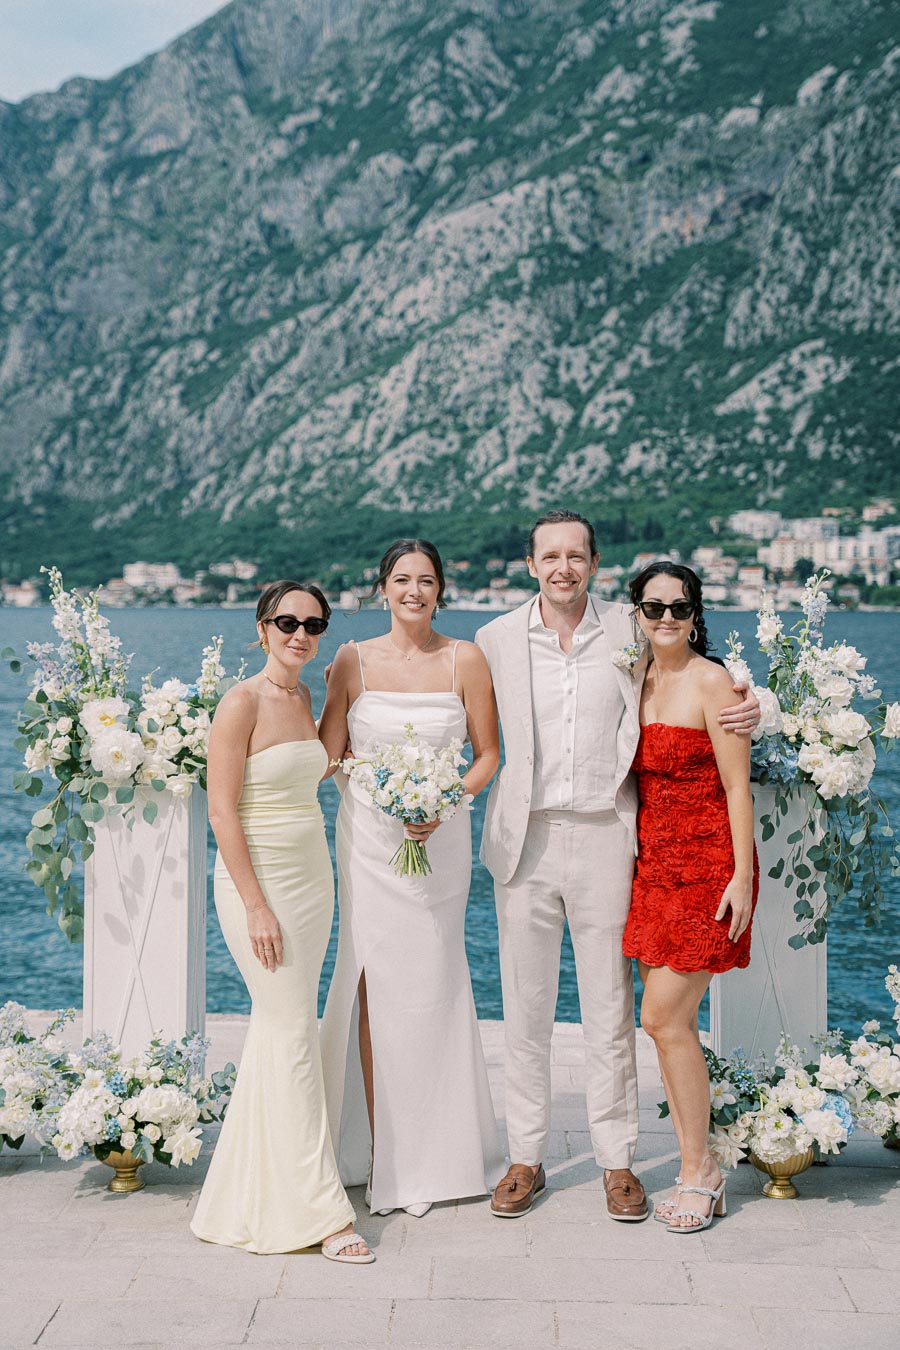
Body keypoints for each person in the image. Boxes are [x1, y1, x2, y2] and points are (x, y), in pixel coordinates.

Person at [475, 510, 760, 1222]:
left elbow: (698, 673)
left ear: (594, 563)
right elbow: (456, 718)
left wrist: (763, 708)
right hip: (526, 840)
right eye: (550, 555)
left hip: (609, 838)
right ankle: (526, 1156)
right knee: (526, 1008)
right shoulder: (495, 640)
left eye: (576, 555)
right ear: (532, 562)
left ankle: (618, 1162)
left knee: (610, 1008)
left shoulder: (629, 632)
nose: (563, 566)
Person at [318, 539, 504, 1217]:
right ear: (382, 587)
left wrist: (442, 800)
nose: (415, 591)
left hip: (440, 841)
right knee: (375, 983)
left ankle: (437, 1154)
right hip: (367, 844)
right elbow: (328, 751)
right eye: (402, 579)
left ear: (441, 590)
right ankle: (379, 1151)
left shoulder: (466, 659)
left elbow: (487, 756)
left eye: (427, 581)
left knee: (433, 983)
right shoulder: (350, 660)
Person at [191, 580, 373, 1263]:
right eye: (288, 621)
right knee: (293, 1029)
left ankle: (248, 1191)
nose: (300, 633)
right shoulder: (240, 702)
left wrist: (343, 684)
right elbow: (220, 813)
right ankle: (322, 1213)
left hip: (311, 879)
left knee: (281, 1031)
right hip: (256, 886)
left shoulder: (302, 698)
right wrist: (256, 904)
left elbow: (326, 762)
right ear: (261, 626)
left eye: (314, 623)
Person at [623, 560, 757, 1232]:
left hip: (707, 868)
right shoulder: (634, 681)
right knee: (669, 1027)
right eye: (654, 608)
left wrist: (741, 877)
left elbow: (738, 787)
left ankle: (700, 1170)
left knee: (663, 1020)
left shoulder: (714, 684)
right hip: (651, 870)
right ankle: (694, 1160)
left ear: (695, 614)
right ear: (638, 615)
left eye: (680, 608)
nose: (668, 619)